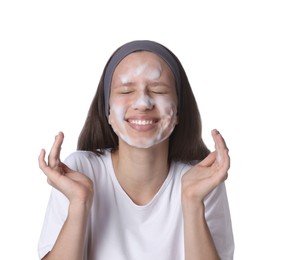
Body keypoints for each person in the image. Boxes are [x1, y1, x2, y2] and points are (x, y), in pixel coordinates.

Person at [37, 40, 234, 260]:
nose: (142, 103)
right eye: (126, 90)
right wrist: (79, 203)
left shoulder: (202, 181)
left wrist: (192, 201)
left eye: (158, 90)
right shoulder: (80, 171)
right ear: (108, 112)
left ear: (178, 111)